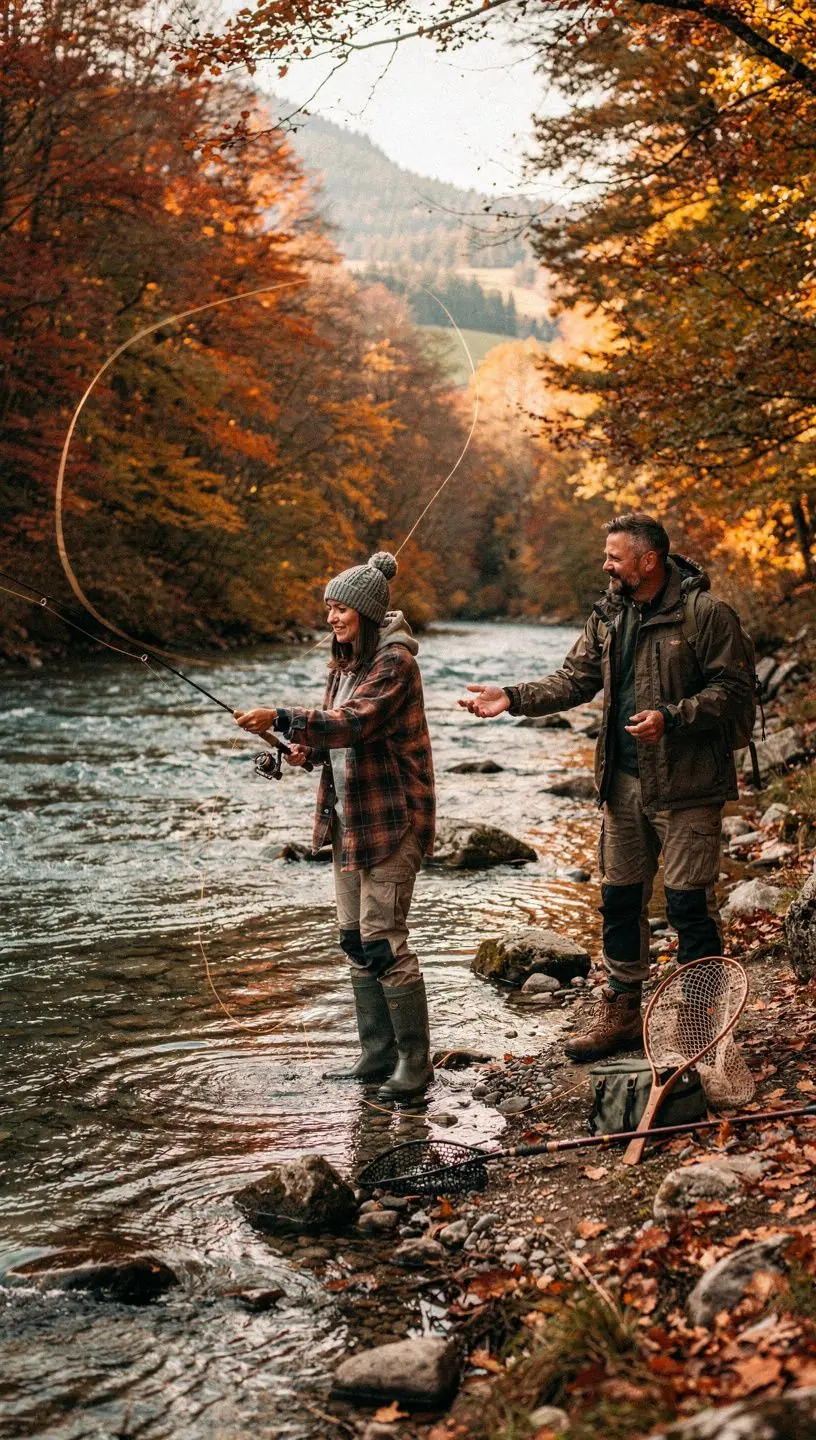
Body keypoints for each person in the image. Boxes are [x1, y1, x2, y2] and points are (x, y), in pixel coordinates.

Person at [459, 513, 753, 1063]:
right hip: (621, 784)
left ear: (649, 561)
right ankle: (622, 1013)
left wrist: (674, 716)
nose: (606, 564)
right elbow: (574, 680)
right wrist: (512, 697)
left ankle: (701, 1027)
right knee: (619, 901)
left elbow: (736, 691)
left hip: (689, 786)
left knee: (689, 908)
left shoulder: (706, 614)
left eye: (615, 556)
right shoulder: (609, 614)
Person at [234, 551, 436, 1101]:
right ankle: (376, 1055)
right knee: (354, 939)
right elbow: (337, 739)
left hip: (395, 820)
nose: (331, 618)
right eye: (328, 608)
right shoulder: (343, 666)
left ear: (366, 613)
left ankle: (415, 1067)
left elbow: (358, 721)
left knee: (383, 941)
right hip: (351, 821)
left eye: (340, 608)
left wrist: (280, 716)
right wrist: (302, 751)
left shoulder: (395, 664)